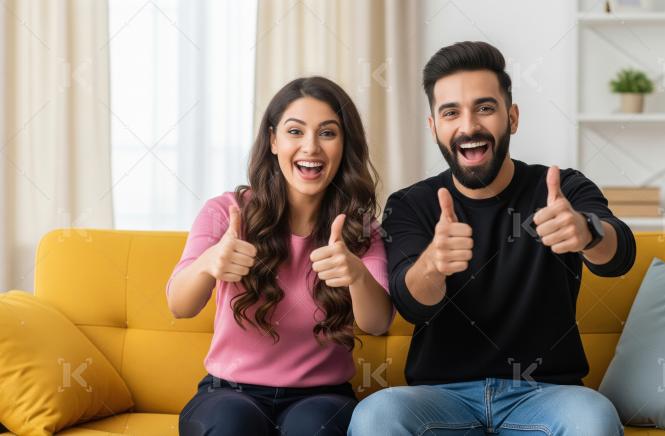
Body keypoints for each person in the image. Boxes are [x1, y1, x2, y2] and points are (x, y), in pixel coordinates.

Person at [349, 41, 636, 435]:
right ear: (434, 126)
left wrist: (586, 234)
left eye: (485, 108)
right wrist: (433, 264)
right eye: (451, 113)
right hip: (440, 398)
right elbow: (412, 303)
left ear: (512, 118)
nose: (469, 127)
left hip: (547, 396)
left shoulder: (561, 188)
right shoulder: (410, 204)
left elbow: (618, 256)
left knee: (596, 418)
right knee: (374, 416)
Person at [167, 76, 393, 436]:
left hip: (323, 396)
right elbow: (180, 305)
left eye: (328, 133)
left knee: (313, 428)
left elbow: (378, 322)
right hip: (228, 392)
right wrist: (209, 263)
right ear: (273, 140)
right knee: (230, 425)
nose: (311, 147)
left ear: (344, 144)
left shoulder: (361, 227)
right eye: (295, 132)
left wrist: (356, 275)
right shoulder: (225, 212)